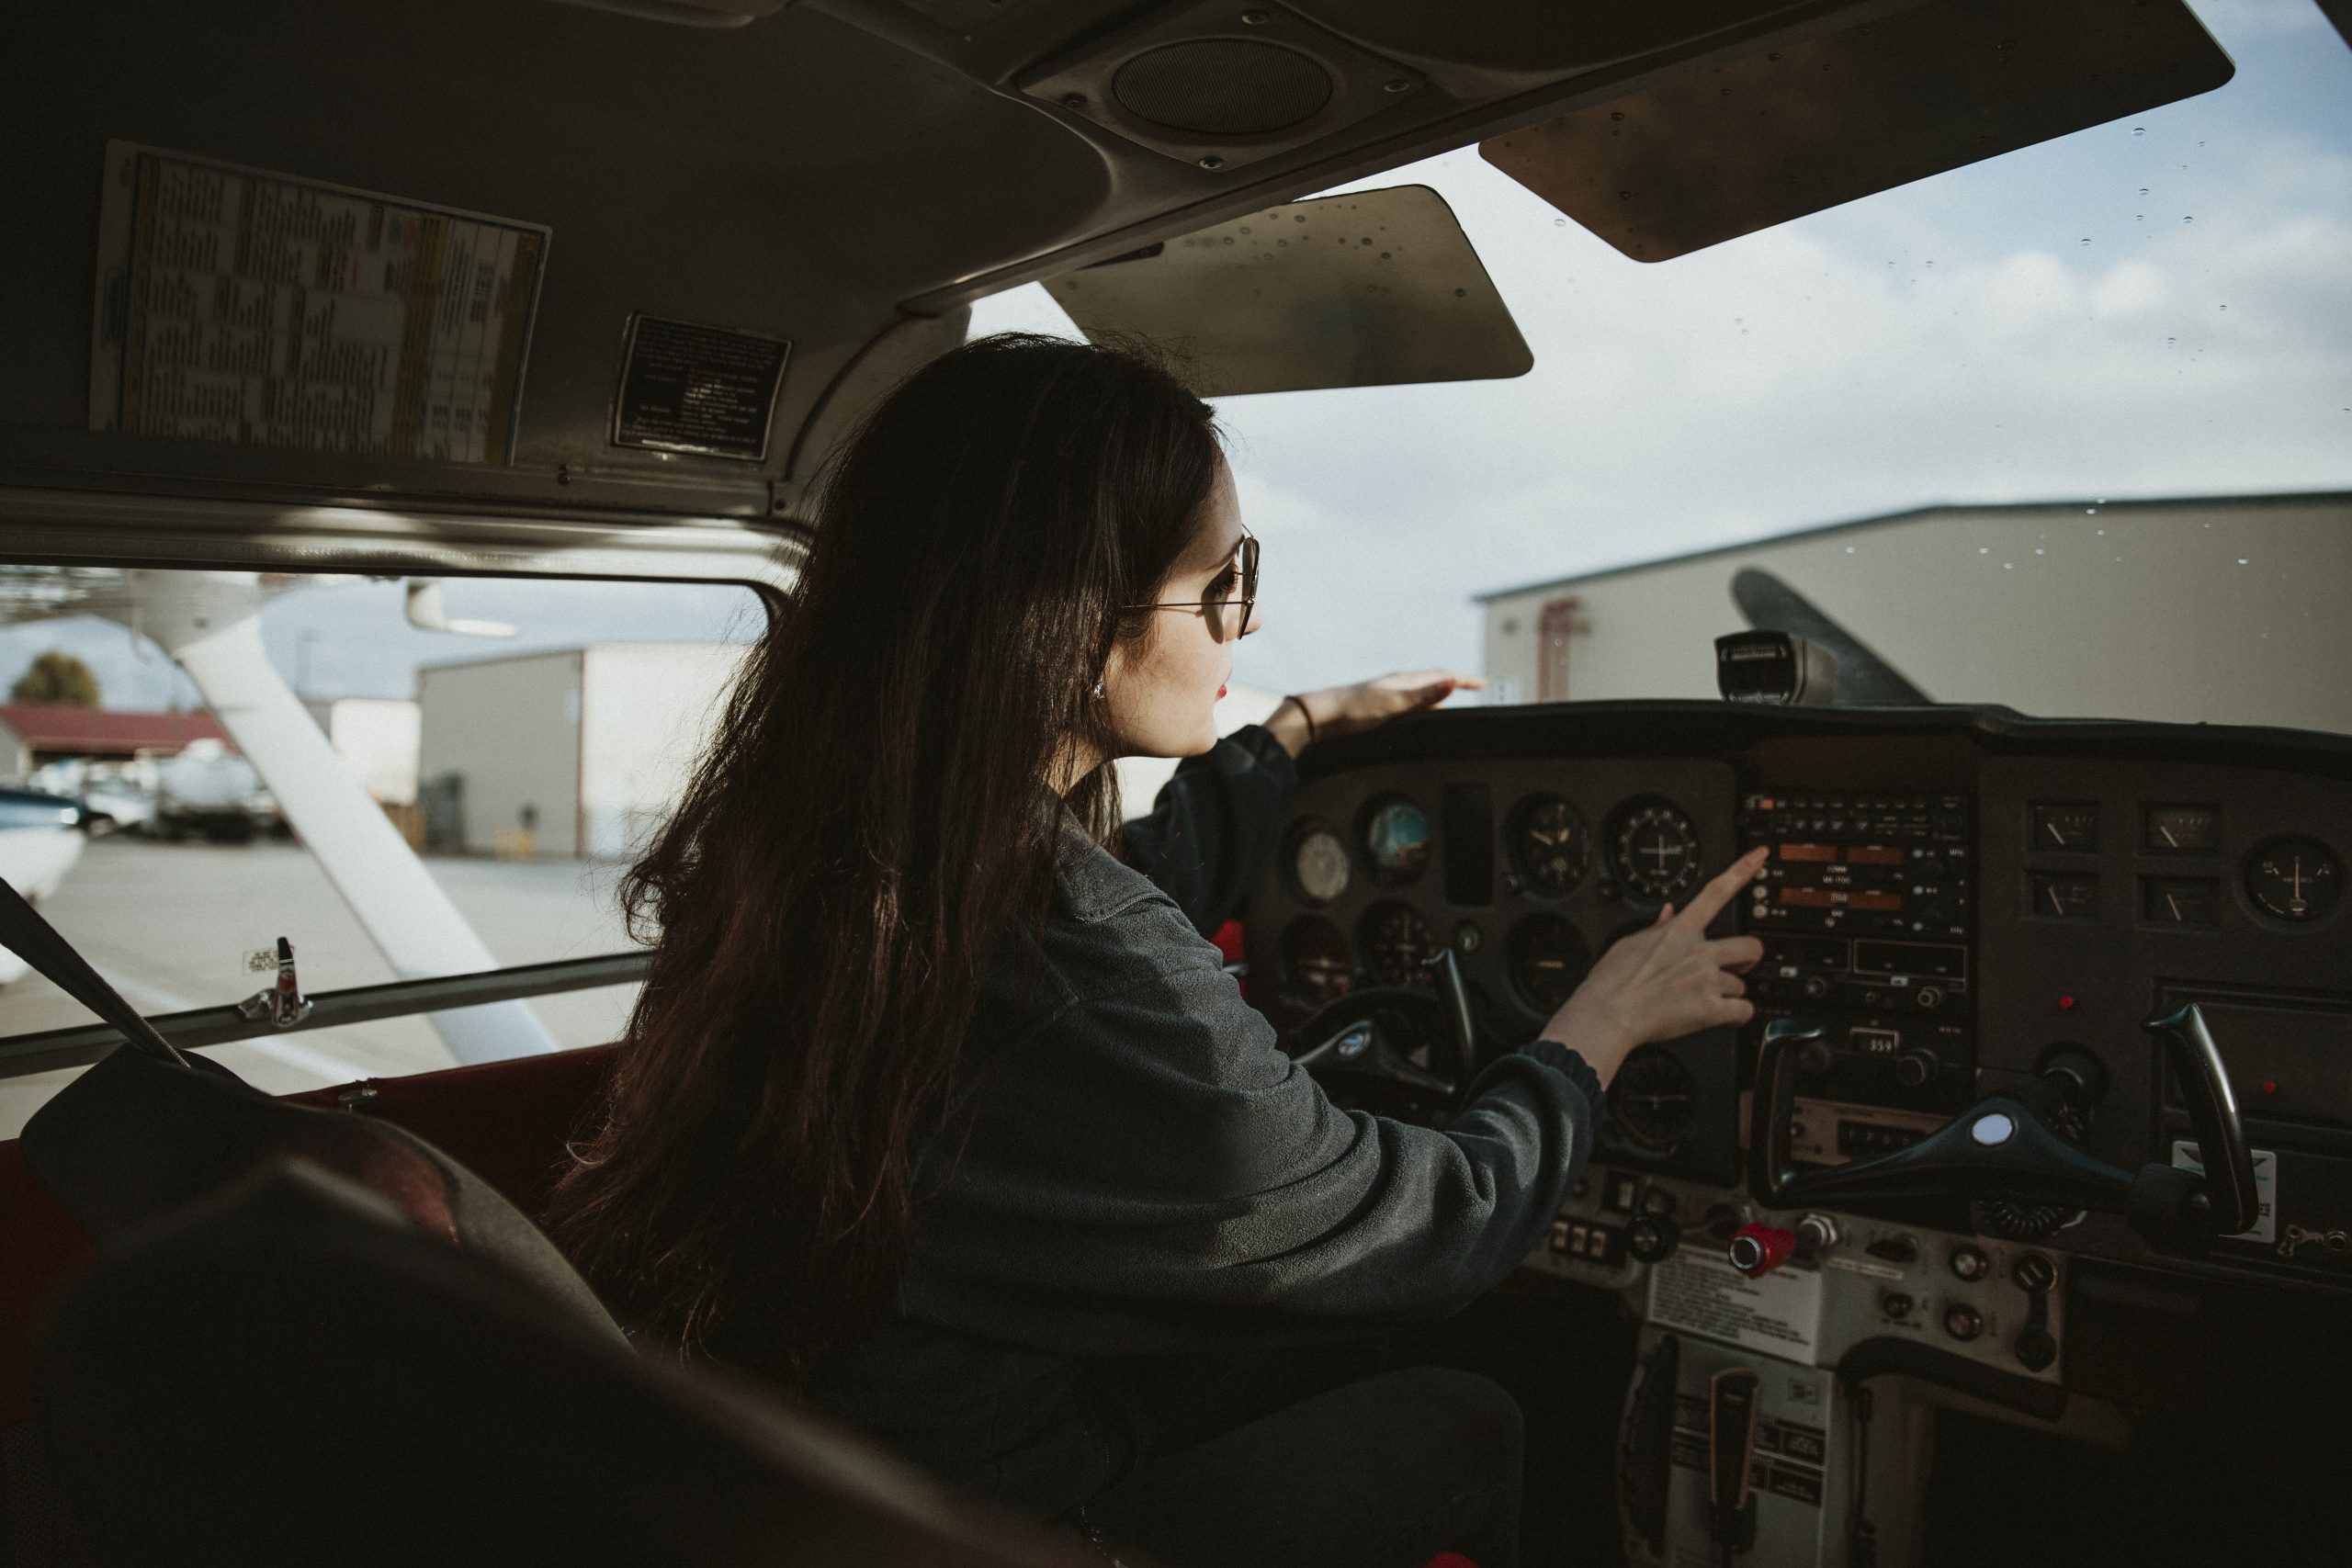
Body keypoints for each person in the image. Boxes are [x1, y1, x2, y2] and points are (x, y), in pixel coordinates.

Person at [548, 333, 1766, 1568]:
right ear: (1077, 617)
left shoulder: (836, 846)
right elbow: (1424, 1230)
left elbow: (1119, 916)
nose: (1240, 621)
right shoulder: (1072, 949)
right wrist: (1595, 1033)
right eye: (1221, 580)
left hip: (806, 1476)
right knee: (1467, 1414)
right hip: (982, 1524)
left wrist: (1291, 734)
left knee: (1323, 1346)